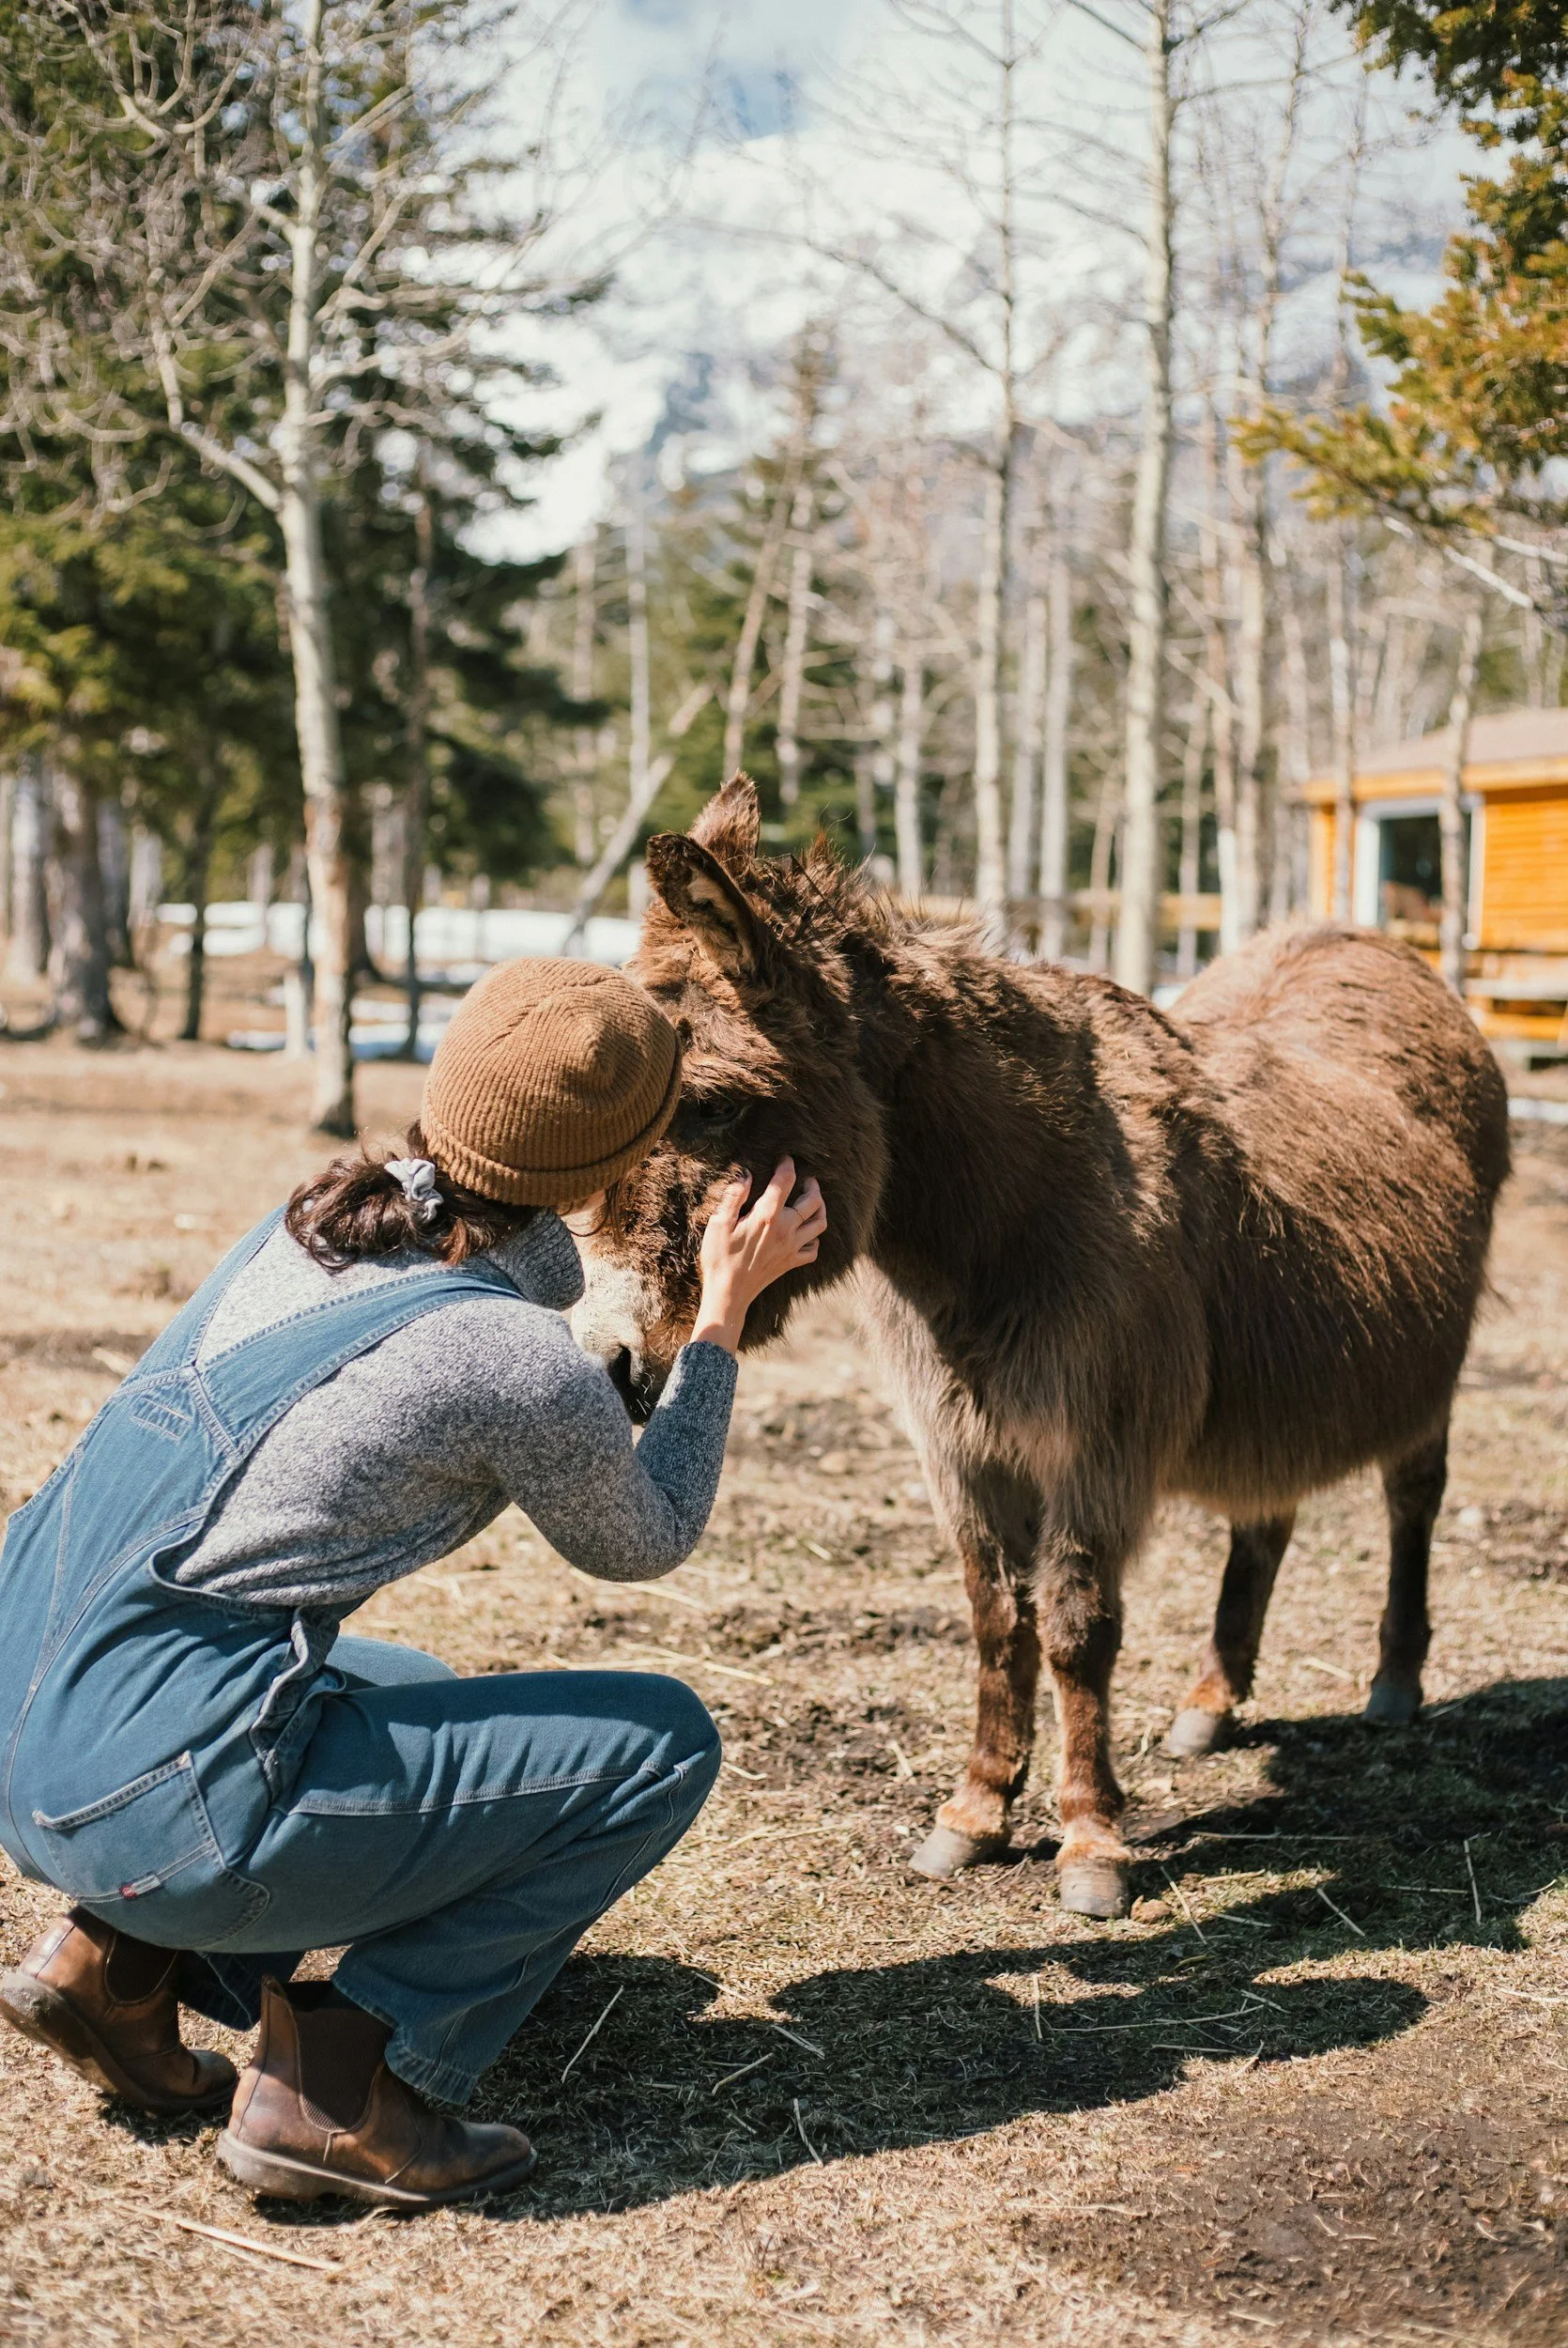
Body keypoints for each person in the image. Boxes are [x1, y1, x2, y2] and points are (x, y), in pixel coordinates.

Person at [0, 957, 825, 2208]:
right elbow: (646, 1539)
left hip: (40, 1728)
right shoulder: (502, 1356)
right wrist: (719, 1319)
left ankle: (112, 1966)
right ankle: (337, 2089)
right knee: (660, 1744)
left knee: (407, 1685)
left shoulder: (306, 1228)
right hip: (165, 1800)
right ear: (625, 1161)